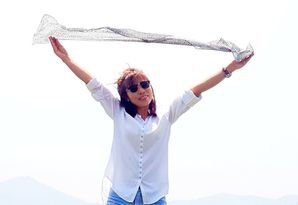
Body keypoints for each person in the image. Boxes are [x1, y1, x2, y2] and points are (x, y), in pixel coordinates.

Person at [48, 36, 253, 205]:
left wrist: (230, 69)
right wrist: (66, 59)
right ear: (126, 95)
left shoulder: (166, 115)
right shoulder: (118, 112)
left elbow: (196, 90)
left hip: (154, 198)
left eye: (145, 84)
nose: (142, 90)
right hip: (121, 196)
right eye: (134, 88)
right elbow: (93, 84)